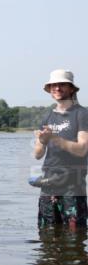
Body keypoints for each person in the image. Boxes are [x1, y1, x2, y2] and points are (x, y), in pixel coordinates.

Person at [33, 69, 88, 229]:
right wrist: (41, 142)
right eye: (54, 85)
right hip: (48, 184)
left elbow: (82, 149)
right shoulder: (47, 117)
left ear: (71, 88)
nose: (57, 88)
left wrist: (54, 139)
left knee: (74, 237)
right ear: (50, 89)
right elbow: (37, 155)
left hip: (73, 185)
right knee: (46, 235)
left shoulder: (82, 114)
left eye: (62, 84)